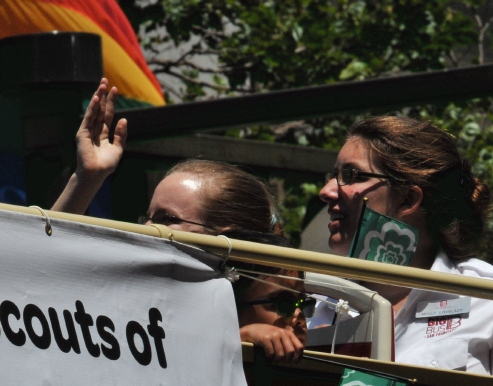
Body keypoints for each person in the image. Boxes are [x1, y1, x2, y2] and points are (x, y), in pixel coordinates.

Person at [52, 83, 309, 362]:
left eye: (167, 219)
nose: (149, 229)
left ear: (223, 241)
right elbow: (44, 270)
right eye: (147, 218)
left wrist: (236, 343)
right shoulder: (124, 289)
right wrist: (88, 178)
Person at [315, 116, 493, 376]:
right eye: (335, 174)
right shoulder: (313, 304)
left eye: (351, 175)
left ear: (407, 200)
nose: (326, 191)